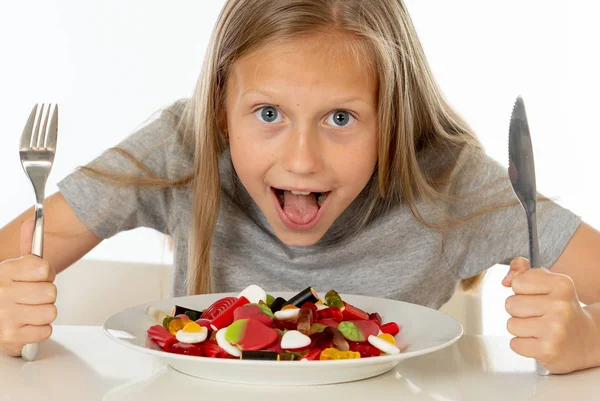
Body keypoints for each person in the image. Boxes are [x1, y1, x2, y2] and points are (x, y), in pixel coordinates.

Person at [0, 0, 598, 374]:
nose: (302, 160)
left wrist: (587, 339)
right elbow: (11, 259)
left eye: (341, 118)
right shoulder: (184, 148)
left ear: (396, 119)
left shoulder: (450, 180)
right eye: (268, 114)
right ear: (218, 112)